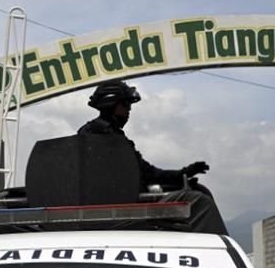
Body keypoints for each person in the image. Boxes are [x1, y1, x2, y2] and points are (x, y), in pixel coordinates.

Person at [76, 80, 228, 235]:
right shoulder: (101, 135)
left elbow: (146, 173)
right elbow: (145, 176)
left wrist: (184, 174)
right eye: (126, 105)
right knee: (199, 202)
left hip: (126, 203)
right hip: (123, 208)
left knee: (199, 190)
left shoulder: (98, 133)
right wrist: (181, 175)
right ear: (111, 105)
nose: (129, 110)